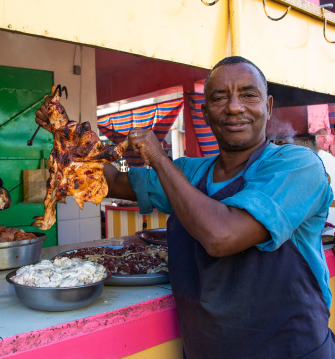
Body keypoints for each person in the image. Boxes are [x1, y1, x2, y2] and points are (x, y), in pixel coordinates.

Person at [35, 56, 335, 358]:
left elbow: (223, 236)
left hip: (293, 351)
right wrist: (63, 132)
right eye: (219, 98)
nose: (234, 107)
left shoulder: (298, 166)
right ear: (204, 113)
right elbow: (111, 180)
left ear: (268, 107)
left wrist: (159, 159)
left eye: (248, 95)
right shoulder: (191, 173)